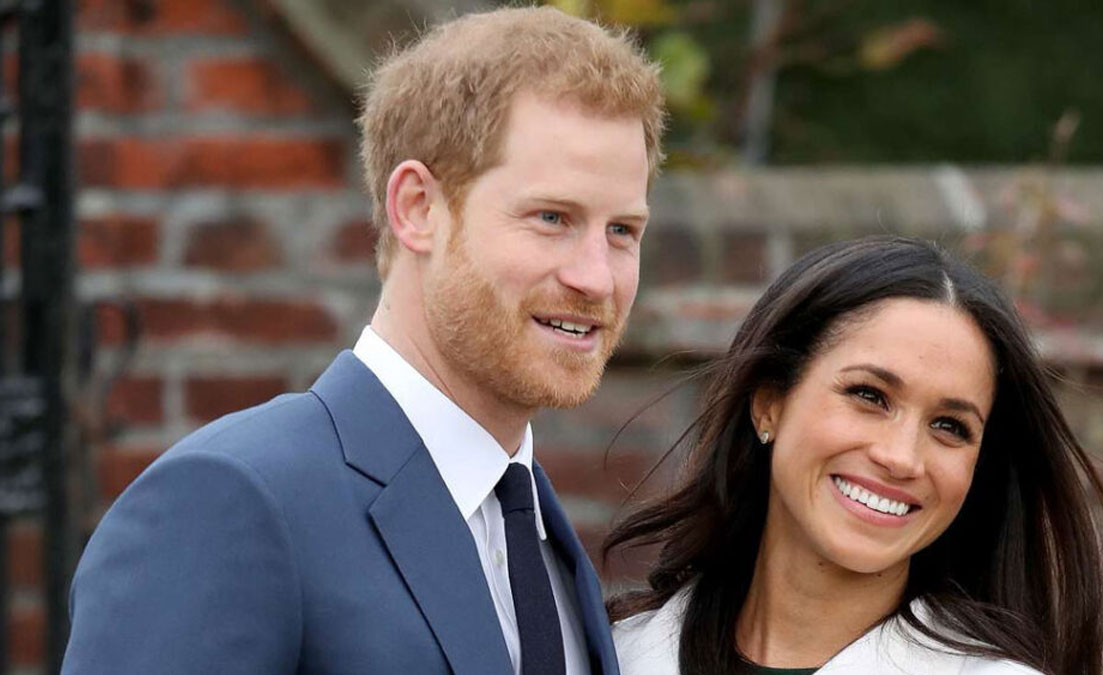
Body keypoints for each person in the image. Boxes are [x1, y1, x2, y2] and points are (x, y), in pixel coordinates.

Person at [63, 7, 664, 675]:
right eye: (552, 217)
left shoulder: (543, 543)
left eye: (622, 231)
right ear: (417, 208)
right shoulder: (231, 500)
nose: (596, 277)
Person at [605, 237, 1103, 675]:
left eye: (949, 427)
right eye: (870, 396)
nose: (901, 457)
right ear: (770, 404)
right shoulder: (609, 654)